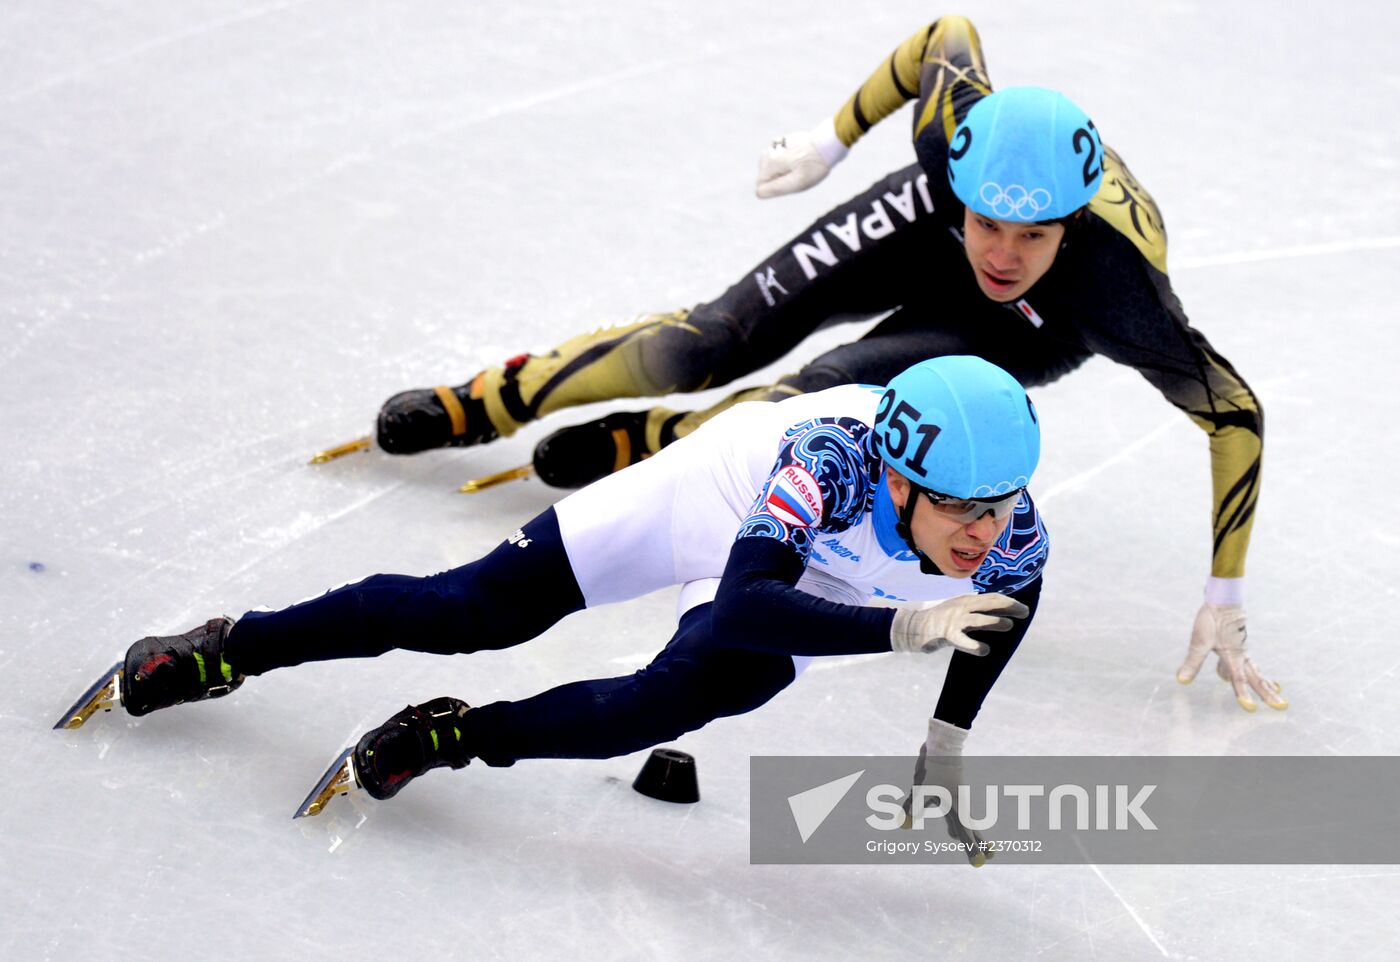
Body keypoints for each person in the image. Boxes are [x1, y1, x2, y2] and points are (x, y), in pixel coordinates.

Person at [365, 16, 1280, 713]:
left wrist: (1223, 594)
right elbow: (945, 34)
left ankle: (663, 440)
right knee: (710, 341)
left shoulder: (1119, 290)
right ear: (964, 182)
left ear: (1071, 227)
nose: (1000, 254)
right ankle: (491, 398)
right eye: (990, 224)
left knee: (802, 407)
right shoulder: (955, 143)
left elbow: (1234, 414)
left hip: (1033, 330)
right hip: (925, 225)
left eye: (1030, 235)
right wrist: (830, 140)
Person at [99, 357, 1045, 819]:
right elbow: (749, 600)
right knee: (465, 611)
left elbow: (1010, 608)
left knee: (656, 707)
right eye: (963, 511)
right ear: (897, 478)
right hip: (709, 501)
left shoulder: (1008, 530)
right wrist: (910, 621)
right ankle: (231, 647)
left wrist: (946, 740)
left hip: (816, 571)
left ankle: (453, 735)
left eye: (998, 511)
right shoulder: (833, 458)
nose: (983, 535)